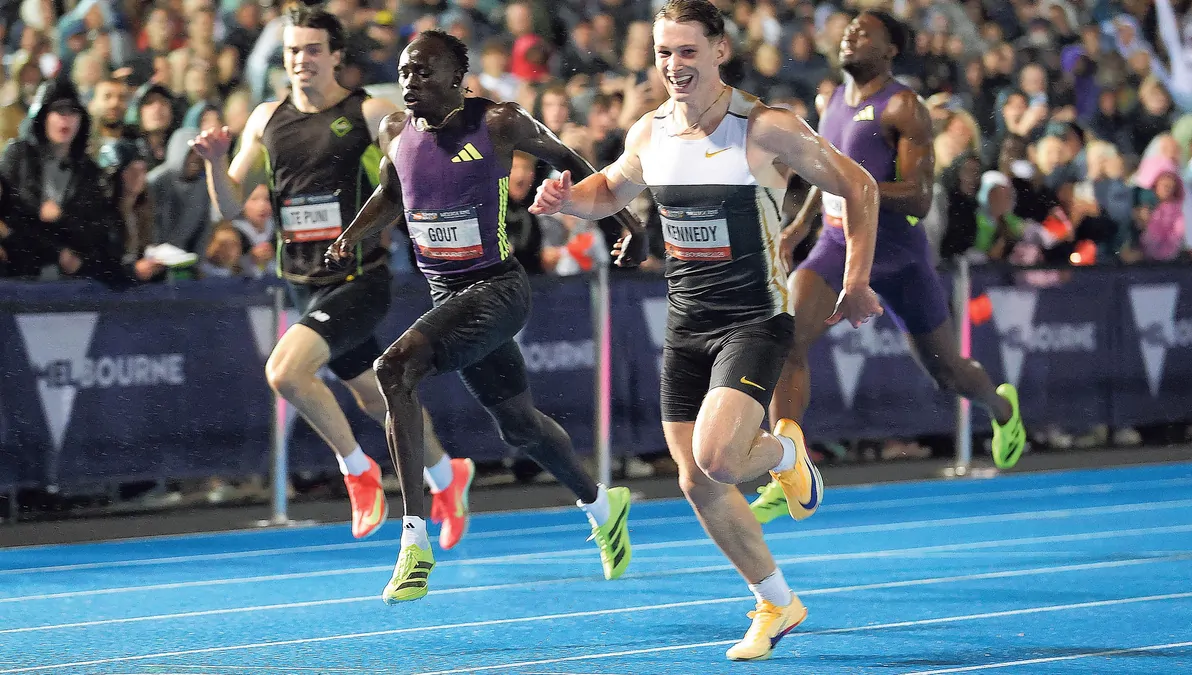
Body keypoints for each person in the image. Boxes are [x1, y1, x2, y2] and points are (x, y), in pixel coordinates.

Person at [528, 0, 882, 661]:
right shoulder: (651, 130)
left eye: (687, 50)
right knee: (695, 479)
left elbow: (858, 186)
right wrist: (565, 200)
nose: (673, 65)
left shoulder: (766, 127)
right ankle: (777, 600)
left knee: (721, 458)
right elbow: (608, 192)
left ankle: (783, 454)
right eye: (663, 52)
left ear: (720, 50)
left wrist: (855, 278)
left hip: (755, 320)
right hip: (686, 323)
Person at [326, 29, 647, 605]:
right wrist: (351, 236)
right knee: (519, 427)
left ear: (458, 78)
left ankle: (413, 543)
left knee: (395, 367)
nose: (410, 82)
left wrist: (623, 220)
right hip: (449, 298)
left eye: (424, 72)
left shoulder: (500, 122)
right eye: (403, 72)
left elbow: (572, 162)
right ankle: (603, 504)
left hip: (499, 289)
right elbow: (392, 196)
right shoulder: (394, 131)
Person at [190, 5, 474, 549]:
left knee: (285, 373)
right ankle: (447, 476)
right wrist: (214, 162)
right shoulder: (266, 119)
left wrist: (417, 142)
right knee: (375, 397)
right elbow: (227, 205)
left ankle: (358, 472)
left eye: (313, 49)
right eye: (293, 50)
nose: (302, 59)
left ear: (336, 56)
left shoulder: (367, 109)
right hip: (303, 282)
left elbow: (406, 148)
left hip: (358, 278)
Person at [749, 10, 1030, 525]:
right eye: (848, 30)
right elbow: (822, 170)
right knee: (786, 339)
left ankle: (1001, 408)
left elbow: (920, 200)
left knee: (947, 373)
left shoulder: (903, 107)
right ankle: (786, 468)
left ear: (890, 50)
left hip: (899, 254)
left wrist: (860, 188)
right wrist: (798, 228)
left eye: (864, 34)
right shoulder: (830, 99)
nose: (850, 37)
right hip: (835, 245)